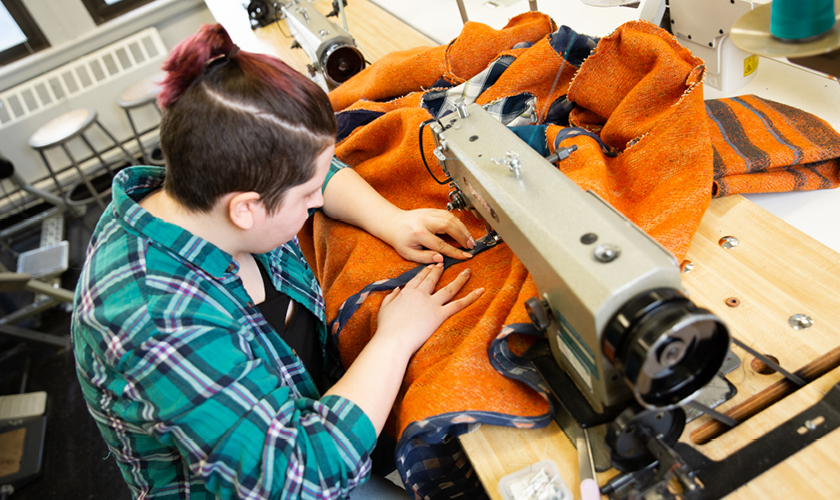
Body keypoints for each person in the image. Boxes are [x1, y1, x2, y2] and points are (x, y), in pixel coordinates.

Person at [72, 23, 484, 500]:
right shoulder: (154, 323)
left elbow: (315, 168)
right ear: (245, 209)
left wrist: (392, 220)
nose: (317, 199)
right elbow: (303, 475)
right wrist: (393, 340)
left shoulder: (206, 185)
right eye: (306, 197)